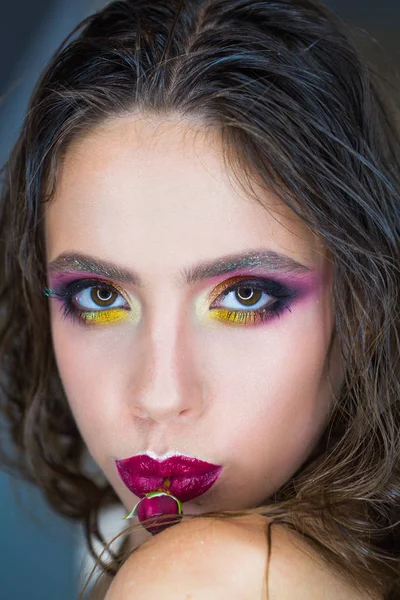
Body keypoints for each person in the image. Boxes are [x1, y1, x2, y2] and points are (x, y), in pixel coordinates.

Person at [0, 0, 399, 598]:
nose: (159, 397)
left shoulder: (208, 578)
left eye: (244, 295)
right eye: (101, 294)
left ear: (364, 302)